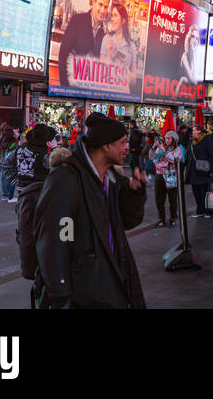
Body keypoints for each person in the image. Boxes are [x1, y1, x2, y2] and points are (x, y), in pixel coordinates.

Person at [32, 113, 147, 308]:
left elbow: (128, 222)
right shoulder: (67, 179)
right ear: (106, 145)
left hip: (112, 284)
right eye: (122, 142)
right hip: (85, 293)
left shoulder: (112, 180)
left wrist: (135, 193)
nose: (127, 147)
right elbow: (57, 239)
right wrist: (60, 293)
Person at [15, 124, 56, 282]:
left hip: (23, 192)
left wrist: (17, 182)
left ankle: (28, 263)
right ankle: (37, 263)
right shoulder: (44, 154)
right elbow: (54, 169)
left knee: (24, 227)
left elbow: (6, 164)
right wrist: (54, 150)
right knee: (39, 229)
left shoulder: (21, 148)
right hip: (39, 193)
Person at [58, 0, 110, 67]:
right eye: (100, 4)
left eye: (106, 7)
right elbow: (63, 55)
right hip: (73, 77)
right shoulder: (77, 21)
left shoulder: (105, 33)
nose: (103, 10)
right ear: (93, 2)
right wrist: (65, 80)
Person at [151, 130, 183, 226]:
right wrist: (153, 147)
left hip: (170, 175)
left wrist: (164, 151)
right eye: (165, 138)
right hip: (159, 175)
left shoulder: (178, 149)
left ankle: (173, 218)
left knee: (172, 198)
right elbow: (151, 157)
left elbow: (175, 160)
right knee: (159, 198)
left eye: (169, 138)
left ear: (174, 139)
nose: (166, 140)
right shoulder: (161, 148)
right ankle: (162, 218)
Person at [187, 126, 213, 218]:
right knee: (196, 192)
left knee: (205, 192)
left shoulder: (207, 141)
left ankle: (208, 212)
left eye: (194, 130)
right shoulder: (193, 141)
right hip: (194, 170)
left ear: (199, 131)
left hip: (204, 170)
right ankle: (200, 211)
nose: (192, 132)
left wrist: (212, 170)